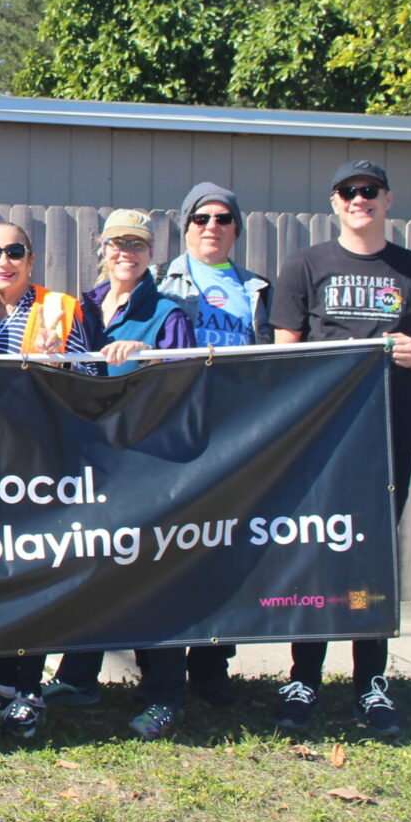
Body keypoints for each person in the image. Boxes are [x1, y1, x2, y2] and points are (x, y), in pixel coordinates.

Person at [269, 159, 411, 735]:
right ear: (334, 202)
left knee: (373, 562)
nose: (359, 199)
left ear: (388, 200)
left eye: (369, 191)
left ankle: (371, 685)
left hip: (386, 443)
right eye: (348, 191)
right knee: (317, 555)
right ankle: (303, 678)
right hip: (321, 445)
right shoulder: (305, 265)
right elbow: (283, 356)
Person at [43, 209, 196, 740]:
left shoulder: (167, 314)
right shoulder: (77, 308)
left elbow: (185, 387)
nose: (125, 253)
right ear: (101, 249)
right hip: (91, 461)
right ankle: (79, 676)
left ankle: (163, 695)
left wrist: (146, 355)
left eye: (137, 244)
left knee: (156, 578)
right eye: (116, 243)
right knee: (91, 567)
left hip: (150, 463)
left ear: (151, 253)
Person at [0, 222, 89, 739]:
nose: (2, 261)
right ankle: (3, 681)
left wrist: (62, 364)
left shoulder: (63, 308)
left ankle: (29, 688)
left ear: (31, 260)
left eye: (14, 251)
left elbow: (93, 384)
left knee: (35, 577)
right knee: (0, 577)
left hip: (43, 465)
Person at [153, 182, 272, 708]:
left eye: (224, 219)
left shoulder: (257, 290)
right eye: (201, 218)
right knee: (172, 554)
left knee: (222, 551)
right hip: (179, 436)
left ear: (236, 228)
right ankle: (163, 667)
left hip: (236, 437)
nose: (212, 227)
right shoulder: (160, 283)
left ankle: (211, 665)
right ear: (186, 225)